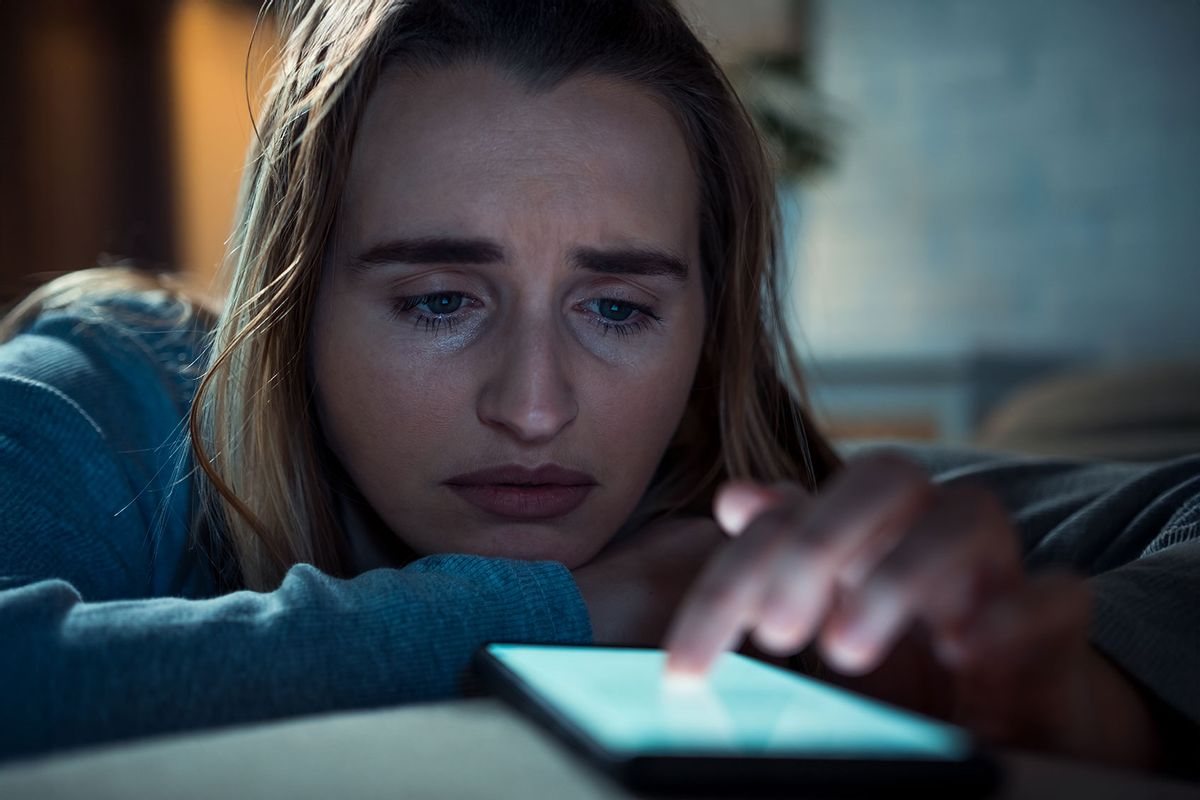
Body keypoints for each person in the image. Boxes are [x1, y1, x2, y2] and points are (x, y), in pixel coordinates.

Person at [0, 0, 1195, 775]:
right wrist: (582, 610)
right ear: (294, 300)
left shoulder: (728, 508)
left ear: (705, 336)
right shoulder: (116, 385)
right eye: (438, 300)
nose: (534, 407)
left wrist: (1091, 695)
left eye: (618, 308)